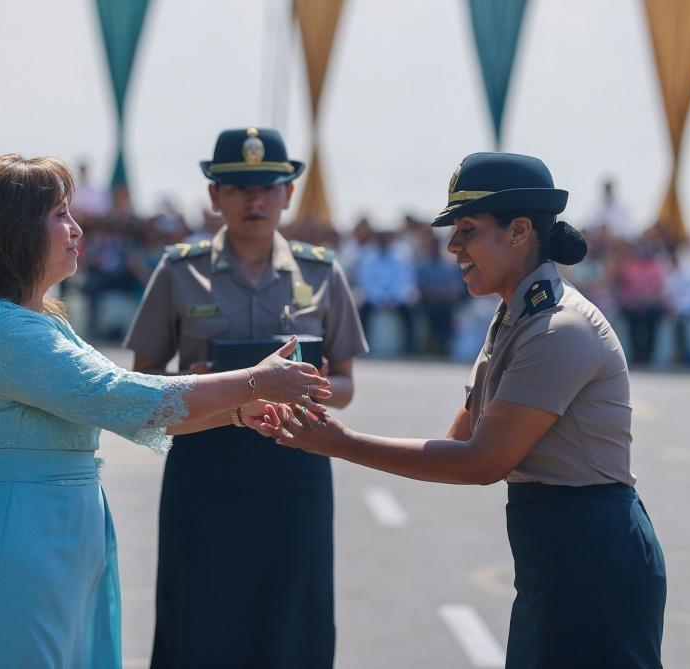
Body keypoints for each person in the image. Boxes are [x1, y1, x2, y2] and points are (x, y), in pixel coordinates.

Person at [0, 154, 330, 668]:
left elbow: (127, 407)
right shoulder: (4, 331)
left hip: (43, 548)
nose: (76, 227)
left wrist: (239, 411)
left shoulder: (35, 320)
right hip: (9, 552)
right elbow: (122, 395)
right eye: (60, 214)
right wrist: (251, 382)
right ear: (15, 230)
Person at [262, 152, 667, 668]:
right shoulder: (514, 318)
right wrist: (326, 428)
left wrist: (341, 444)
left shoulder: (556, 328)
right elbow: (461, 440)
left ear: (519, 231)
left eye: (468, 230)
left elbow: (482, 462)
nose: (453, 246)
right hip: (558, 554)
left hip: (593, 558)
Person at [125, 127, 368, 669]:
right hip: (205, 464)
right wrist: (201, 383)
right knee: (201, 613)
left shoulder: (322, 271)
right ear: (214, 196)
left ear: (288, 194)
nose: (253, 201)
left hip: (294, 466)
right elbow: (142, 382)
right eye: (236, 188)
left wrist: (317, 384)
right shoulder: (178, 270)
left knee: (293, 611)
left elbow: (347, 384)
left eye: (267, 187)